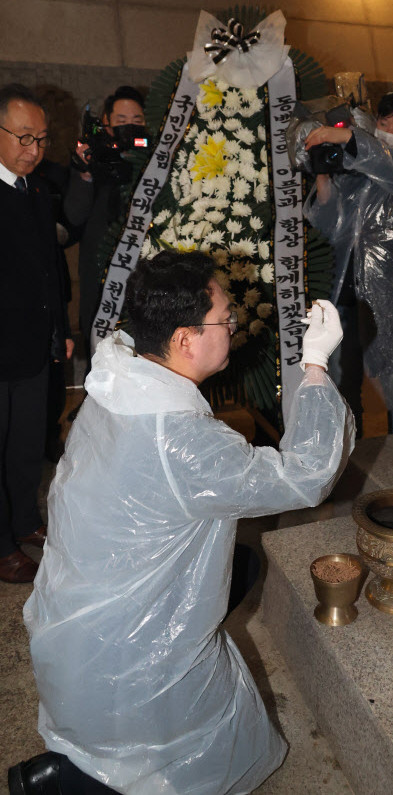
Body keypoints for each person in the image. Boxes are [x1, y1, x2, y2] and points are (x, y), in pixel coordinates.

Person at [13, 250, 353, 795]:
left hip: (76, 621)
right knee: (181, 746)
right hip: (131, 657)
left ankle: (75, 768)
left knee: (240, 566)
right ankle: (81, 783)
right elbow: (304, 476)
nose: (234, 328)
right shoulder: (181, 440)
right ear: (184, 339)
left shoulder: (119, 373)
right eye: (225, 319)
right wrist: (315, 366)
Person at [0, 84, 72, 584]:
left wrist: (59, 330)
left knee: (27, 443)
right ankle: (1, 546)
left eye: (42, 139)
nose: (34, 150)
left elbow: (51, 271)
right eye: (24, 138)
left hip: (33, 344)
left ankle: (24, 520)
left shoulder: (39, 191)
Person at [303, 92, 393, 433]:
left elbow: (391, 167)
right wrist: (322, 174)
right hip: (343, 289)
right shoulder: (358, 165)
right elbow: (327, 221)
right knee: (340, 380)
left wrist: (345, 136)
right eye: (383, 122)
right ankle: (346, 452)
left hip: (387, 294)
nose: (388, 130)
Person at [64, 85, 147, 366]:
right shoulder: (92, 164)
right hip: (100, 283)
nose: (130, 129)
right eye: (121, 122)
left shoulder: (156, 165)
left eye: (137, 121)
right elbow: (73, 218)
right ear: (106, 124)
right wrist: (84, 172)